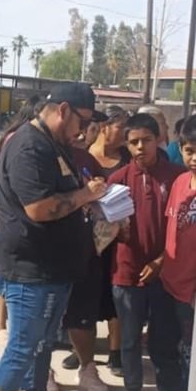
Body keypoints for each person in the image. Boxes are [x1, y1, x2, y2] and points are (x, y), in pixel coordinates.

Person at [0, 83, 108, 391]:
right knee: (23, 349)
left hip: (52, 271)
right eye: (82, 122)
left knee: (40, 346)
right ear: (63, 110)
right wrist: (86, 195)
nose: (84, 132)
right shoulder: (30, 147)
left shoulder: (52, 143)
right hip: (31, 272)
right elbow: (40, 208)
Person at [108, 111, 186, 391]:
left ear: (159, 140)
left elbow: (184, 228)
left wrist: (161, 260)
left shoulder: (178, 178)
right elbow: (102, 232)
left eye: (147, 140)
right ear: (126, 145)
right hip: (126, 273)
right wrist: (114, 231)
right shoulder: (117, 181)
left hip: (167, 273)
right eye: (134, 142)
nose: (141, 147)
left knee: (163, 340)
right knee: (128, 339)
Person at [149, 114, 196, 391]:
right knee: (161, 349)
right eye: (189, 150)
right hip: (169, 284)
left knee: (192, 361)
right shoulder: (178, 183)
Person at [62, 105, 132, 375]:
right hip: (73, 245)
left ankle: (110, 354)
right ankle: (76, 353)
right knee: (72, 305)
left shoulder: (117, 159)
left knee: (106, 299)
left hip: (107, 241)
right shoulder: (62, 156)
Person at [0, 104, 38, 334]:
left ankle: (1, 321)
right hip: (9, 206)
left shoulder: (11, 137)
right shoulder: (22, 140)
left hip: (3, 201)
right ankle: (1, 322)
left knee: (5, 263)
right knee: (7, 266)